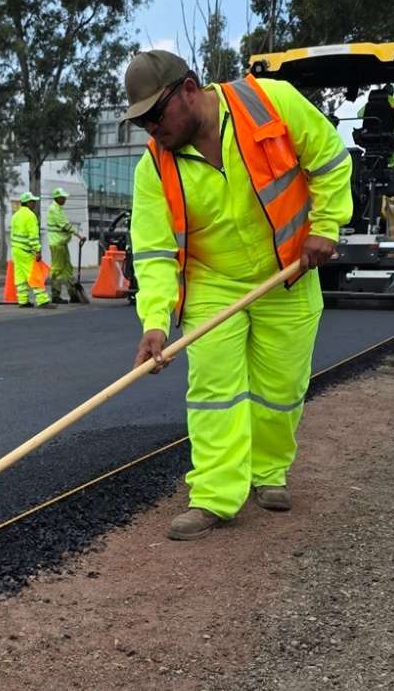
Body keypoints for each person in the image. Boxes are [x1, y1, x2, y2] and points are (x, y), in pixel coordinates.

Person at [123, 49, 352, 541]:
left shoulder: (271, 102)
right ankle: (214, 495)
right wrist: (155, 321)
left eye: (156, 115)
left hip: (287, 270)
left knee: (280, 389)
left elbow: (330, 160)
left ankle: (268, 472)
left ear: (189, 89)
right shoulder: (153, 169)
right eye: (142, 123)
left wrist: (326, 226)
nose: (152, 130)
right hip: (213, 281)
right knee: (214, 391)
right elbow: (155, 252)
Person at [9, 191, 52, 308]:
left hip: (16, 250)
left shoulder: (15, 215)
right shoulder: (30, 216)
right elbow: (33, 236)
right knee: (35, 275)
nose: (34, 204)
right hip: (26, 251)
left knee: (20, 277)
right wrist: (37, 250)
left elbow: (12, 234)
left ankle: (23, 301)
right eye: (33, 202)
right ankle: (42, 300)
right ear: (27, 202)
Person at [46, 188, 85, 303]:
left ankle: (73, 294)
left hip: (62, 243)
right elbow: (65, 225)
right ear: (57, 198)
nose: (65, 199)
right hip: (57, 244)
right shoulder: (54, 209)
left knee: (68, 268)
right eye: (63, 197)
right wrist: (79, 236)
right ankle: (55, 295)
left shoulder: (59, 208)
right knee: (57, 269)